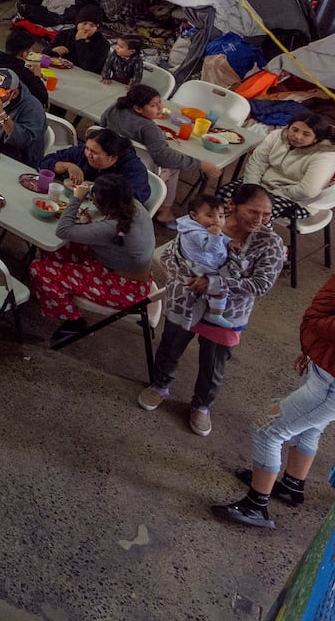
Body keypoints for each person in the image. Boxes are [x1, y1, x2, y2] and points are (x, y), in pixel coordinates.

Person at [139, 183, 286, 437]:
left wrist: (214, 283)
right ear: (232, 206)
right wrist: (189, 280)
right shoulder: (203, 222)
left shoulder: (269, 243)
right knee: (170, 345)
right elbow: (171, 256)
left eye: (266, 214)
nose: (260, 220)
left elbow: (261, 284)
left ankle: (202, 405)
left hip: (227, 313)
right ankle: (160, 385)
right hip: (186, 301)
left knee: (214, 362)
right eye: (253, 212)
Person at [211, 269, 335, 529]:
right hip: (326, 364)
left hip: (331, 382)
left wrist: (316, 324)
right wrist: (314, 348)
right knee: (309, 427)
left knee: (267, 430)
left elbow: (323, 318)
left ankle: (256, 505)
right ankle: (291, 486)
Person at [29, 174, 156, 349]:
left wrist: (76, 198)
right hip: (121, 270)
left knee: (39, 269)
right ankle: (54, 294)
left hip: (121, 288)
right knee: (54, 248)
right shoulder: (134, 206)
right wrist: (95, 187)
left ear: (106, 205)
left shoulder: (110, 228)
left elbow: (63, 231)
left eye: (95, 199)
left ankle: (74, 322)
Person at [102, 85, 223, 225]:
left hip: (110, 158)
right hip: (140, 169)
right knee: (173, 169)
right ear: (137, 108)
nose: (160, 107)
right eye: (154, 105)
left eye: (160, 102)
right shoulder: (148, 128)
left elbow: (103, 123)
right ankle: (165, 211)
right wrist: (200, 164)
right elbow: (163, 158)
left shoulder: (115, 108)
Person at [228, 110, 335, 217]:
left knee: (253, 213)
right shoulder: (276, 136)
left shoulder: (324, 156)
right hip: (261, 184)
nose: (297, 136)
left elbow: (307, 191)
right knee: (225, 196)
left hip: (294, 198)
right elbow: (257, 162)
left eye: (306, 134)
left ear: (316, 139)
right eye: (295, 130)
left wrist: (270, 194)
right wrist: (252, 186)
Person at [42, 128, 151, 207]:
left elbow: (134, 199)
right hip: (74, 204)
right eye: (87, 148)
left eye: (94, 152)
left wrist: (99, 187)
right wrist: (66, 165)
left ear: (113, 157)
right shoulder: (82, 152)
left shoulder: (133, 168)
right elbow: (45, 162)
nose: (88, 154)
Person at [173, 196, 230, 326]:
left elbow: (221, 236)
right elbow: (211, 248)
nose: (217, 220)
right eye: (210, 215)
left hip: (202, 262)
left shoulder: (199, 226)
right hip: (199, 266)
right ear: (193, 215)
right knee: (220, 286)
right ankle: (215, 313)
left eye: (221, 216)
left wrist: (229, 241)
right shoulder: (194, 232)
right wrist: (215, 235)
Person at [0, 26, 49, 110]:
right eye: (28, 51)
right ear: (23, 53)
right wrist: (37, 76)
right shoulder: (22, 73)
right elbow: (43, 98)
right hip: (9, 110)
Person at [50, 5, 110, 74]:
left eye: (92, 25)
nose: (87, 28)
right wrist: (53, 50)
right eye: (84, 23)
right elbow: (44, 54)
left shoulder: (103, 44)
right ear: (78, 23)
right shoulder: (65, 35)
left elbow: (89, 67)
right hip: (61, 73)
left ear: (97, 28)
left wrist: (80, 41)